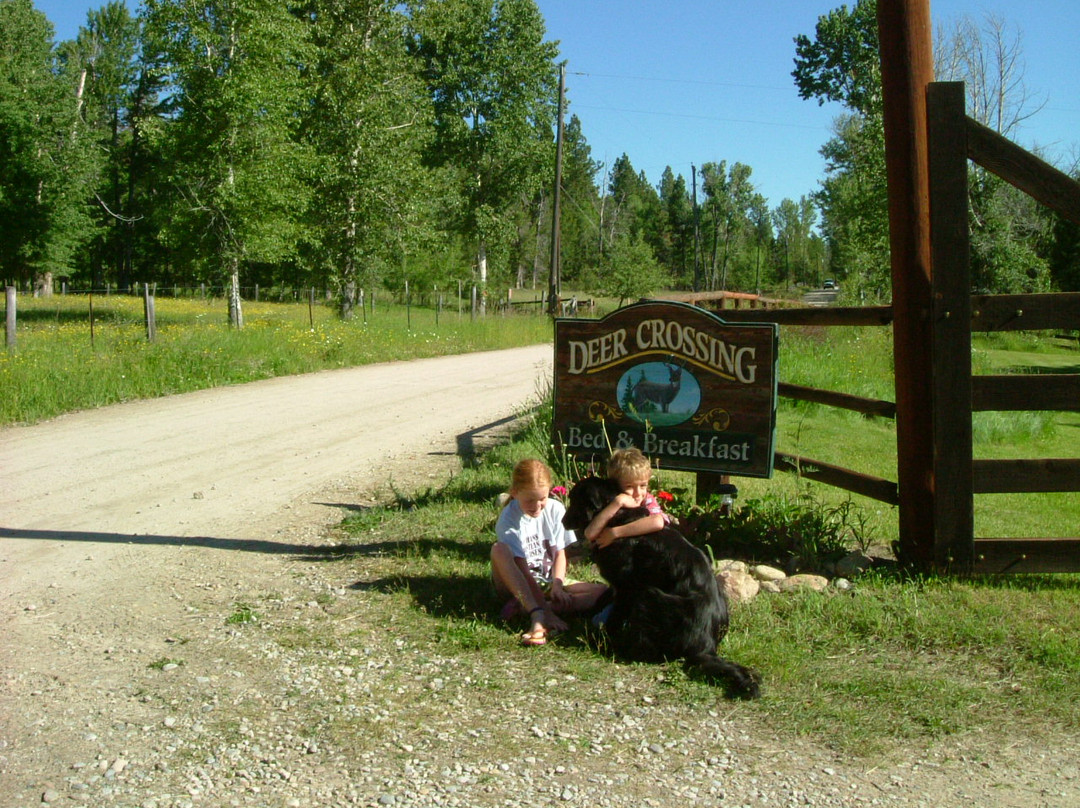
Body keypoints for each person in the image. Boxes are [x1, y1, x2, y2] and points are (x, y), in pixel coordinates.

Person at [491, 459, 607, 646]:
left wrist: (557, 585)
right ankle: (535, 611)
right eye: (530, 500)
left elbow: (560, 553)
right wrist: (546, 612)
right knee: (498, 549)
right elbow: (523, 570)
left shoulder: (555, 509)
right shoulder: (509, 519)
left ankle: (523, 609)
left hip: (546, 580)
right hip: (518, 582)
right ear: (514, 493)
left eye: (542, 499)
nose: (537, 506)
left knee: (602, 592)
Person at [584, 447, 670, 550]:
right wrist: (617, 503)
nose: (638, 493)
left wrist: (615, 533)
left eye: (643, 486)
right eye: (629, 486)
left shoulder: (647, 500)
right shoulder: (613, 501)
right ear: (615, 485)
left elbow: (657, 522)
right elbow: (590, 534)